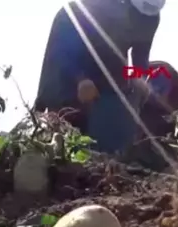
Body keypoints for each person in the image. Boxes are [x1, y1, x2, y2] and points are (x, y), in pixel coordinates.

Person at [34, 0, 165, 153]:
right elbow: (63, 49)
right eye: (138, 13)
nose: (141, 18)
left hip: (108, 56)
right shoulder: (94, 7)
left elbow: (141, 51)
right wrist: (80, 79)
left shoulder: (150, 17)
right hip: (70, 53)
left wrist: (140, 78)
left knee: (113, 105)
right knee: (67, 113)